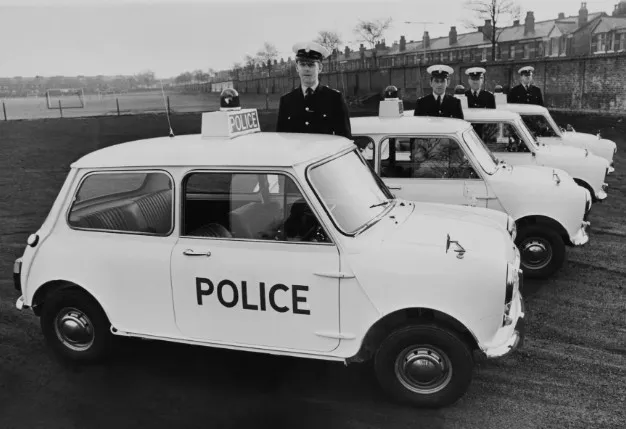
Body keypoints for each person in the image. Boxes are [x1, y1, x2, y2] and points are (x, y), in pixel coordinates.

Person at [276, 41, 351, 138]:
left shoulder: (334, 99)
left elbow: (345, 139)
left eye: (311, 65)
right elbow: (281, 139)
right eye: (302, 64)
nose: (306, 69)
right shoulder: (286, 101)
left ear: (320, 68)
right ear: (297, 68)